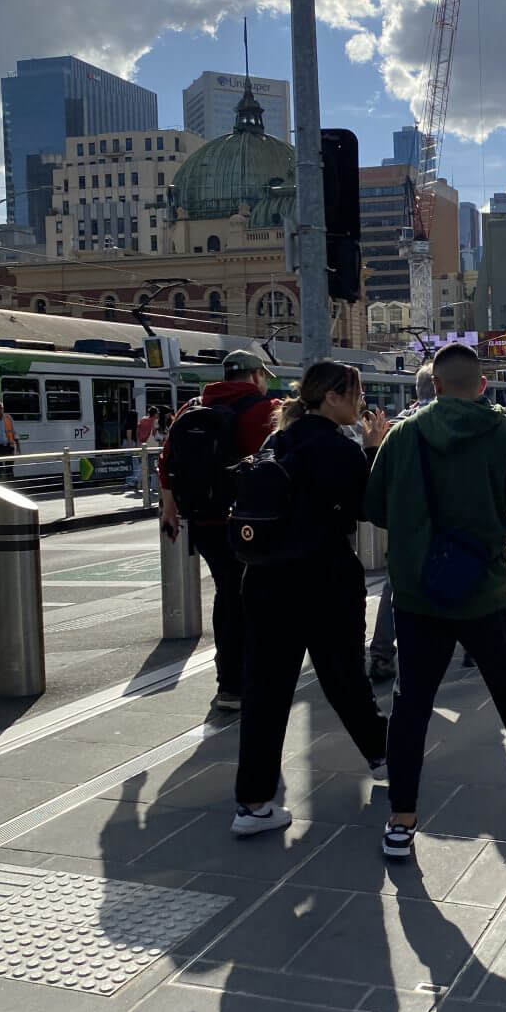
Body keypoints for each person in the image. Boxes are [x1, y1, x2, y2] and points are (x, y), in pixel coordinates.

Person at [364, 343, 506, 860]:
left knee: (411, 704)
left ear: (433, 386)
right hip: (486, 591)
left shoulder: (403, 435)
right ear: (482, 386)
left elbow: (376, 508)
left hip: (416, 595)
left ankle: (401, 821)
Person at [232, 361, 391, 835]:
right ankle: (384, 756)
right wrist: (373, 449)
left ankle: (253, 804)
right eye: (355, 394)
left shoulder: (276, 440)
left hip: (264, 581)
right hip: (324, 581)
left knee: (265, 692)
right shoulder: (337, 448)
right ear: (332, 398)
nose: (361, 403)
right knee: (344, 678)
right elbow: (369, 508)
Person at [159, 351, 276, 712]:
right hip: (249, 523)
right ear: (255, 376)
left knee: (227, 592)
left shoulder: (193, 406)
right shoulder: (265, 409)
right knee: (252, 597)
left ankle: (228, 678)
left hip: (203, 519)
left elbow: (166, 461)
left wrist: (169, 508)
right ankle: (242, 679)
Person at [368, 364, 435, 685]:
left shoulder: (396, 427)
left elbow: (377, 484)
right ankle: (471, 649)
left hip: (404, 523)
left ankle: (382, 653)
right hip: (443, 520)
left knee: (395, 584)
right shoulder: (449, 423)